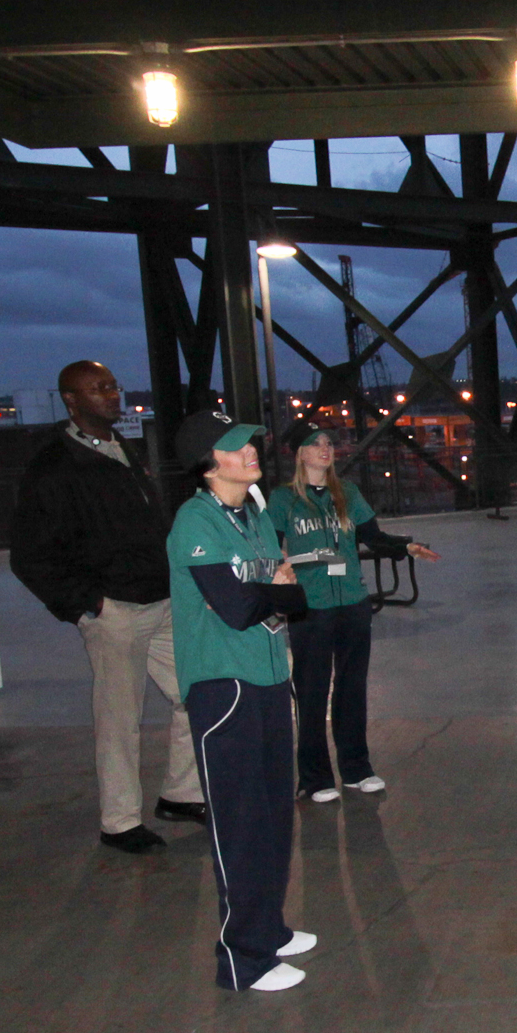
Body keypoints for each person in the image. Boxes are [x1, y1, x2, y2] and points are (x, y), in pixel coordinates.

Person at [10, 360, 205, 855]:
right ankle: (119, 821)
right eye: (98, 389)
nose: (112, 395)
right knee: (120, 719)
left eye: (113, 386)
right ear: (71, 401)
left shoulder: (123, 448)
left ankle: (181, 795)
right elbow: (29, 555)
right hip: (115, 610)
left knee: (197, 692)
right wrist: (86, 605)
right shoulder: (54, 465)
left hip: (162, 602)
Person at [166, 411, 315, 993]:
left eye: (249, 442)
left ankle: (270, 929)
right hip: (224, 686)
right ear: (210, 463)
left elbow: (294, 599)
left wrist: (273, 592)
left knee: (277, 811)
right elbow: (237, 607)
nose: (252, 451)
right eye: (236, 446)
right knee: (239, 823)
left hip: (270, 674)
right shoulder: (195, 521)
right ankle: (242, 958)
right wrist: (273, 591)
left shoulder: (252, 512)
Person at [266, 424, 440, 803]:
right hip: (309, 607)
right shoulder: (282, 500)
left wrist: (406, 547)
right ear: (300, 454)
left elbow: (372, 537)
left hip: (352, 602)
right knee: (311, 691)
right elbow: (267, 545)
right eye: (316, 444)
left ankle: (357, 769)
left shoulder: (348, 493)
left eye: (329, 443)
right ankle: (314, 777)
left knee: (351, 688)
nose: (326, 449)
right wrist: (279, 568)